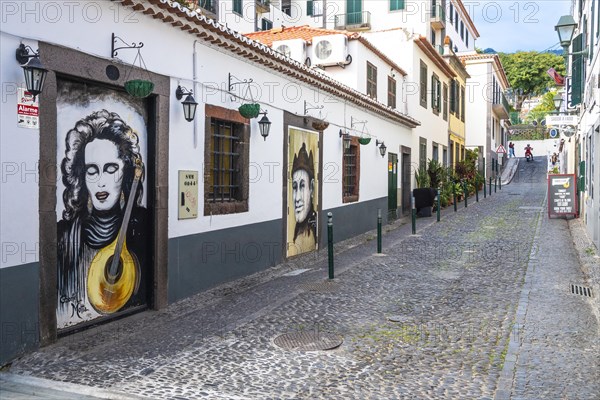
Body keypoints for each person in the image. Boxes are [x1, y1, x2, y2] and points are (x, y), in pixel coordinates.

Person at [57, 110, 148, 329]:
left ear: (126, 173)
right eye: (91, 170)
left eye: (110, 169)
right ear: (81, 176)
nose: (100, 182)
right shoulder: (64, 236)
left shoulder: (143, 228)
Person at [291, 143, 317, 254]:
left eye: (302, 186)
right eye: (294, 187)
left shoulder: (313, 226)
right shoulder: (296, 231)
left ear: (311, 187)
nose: (297, 198)